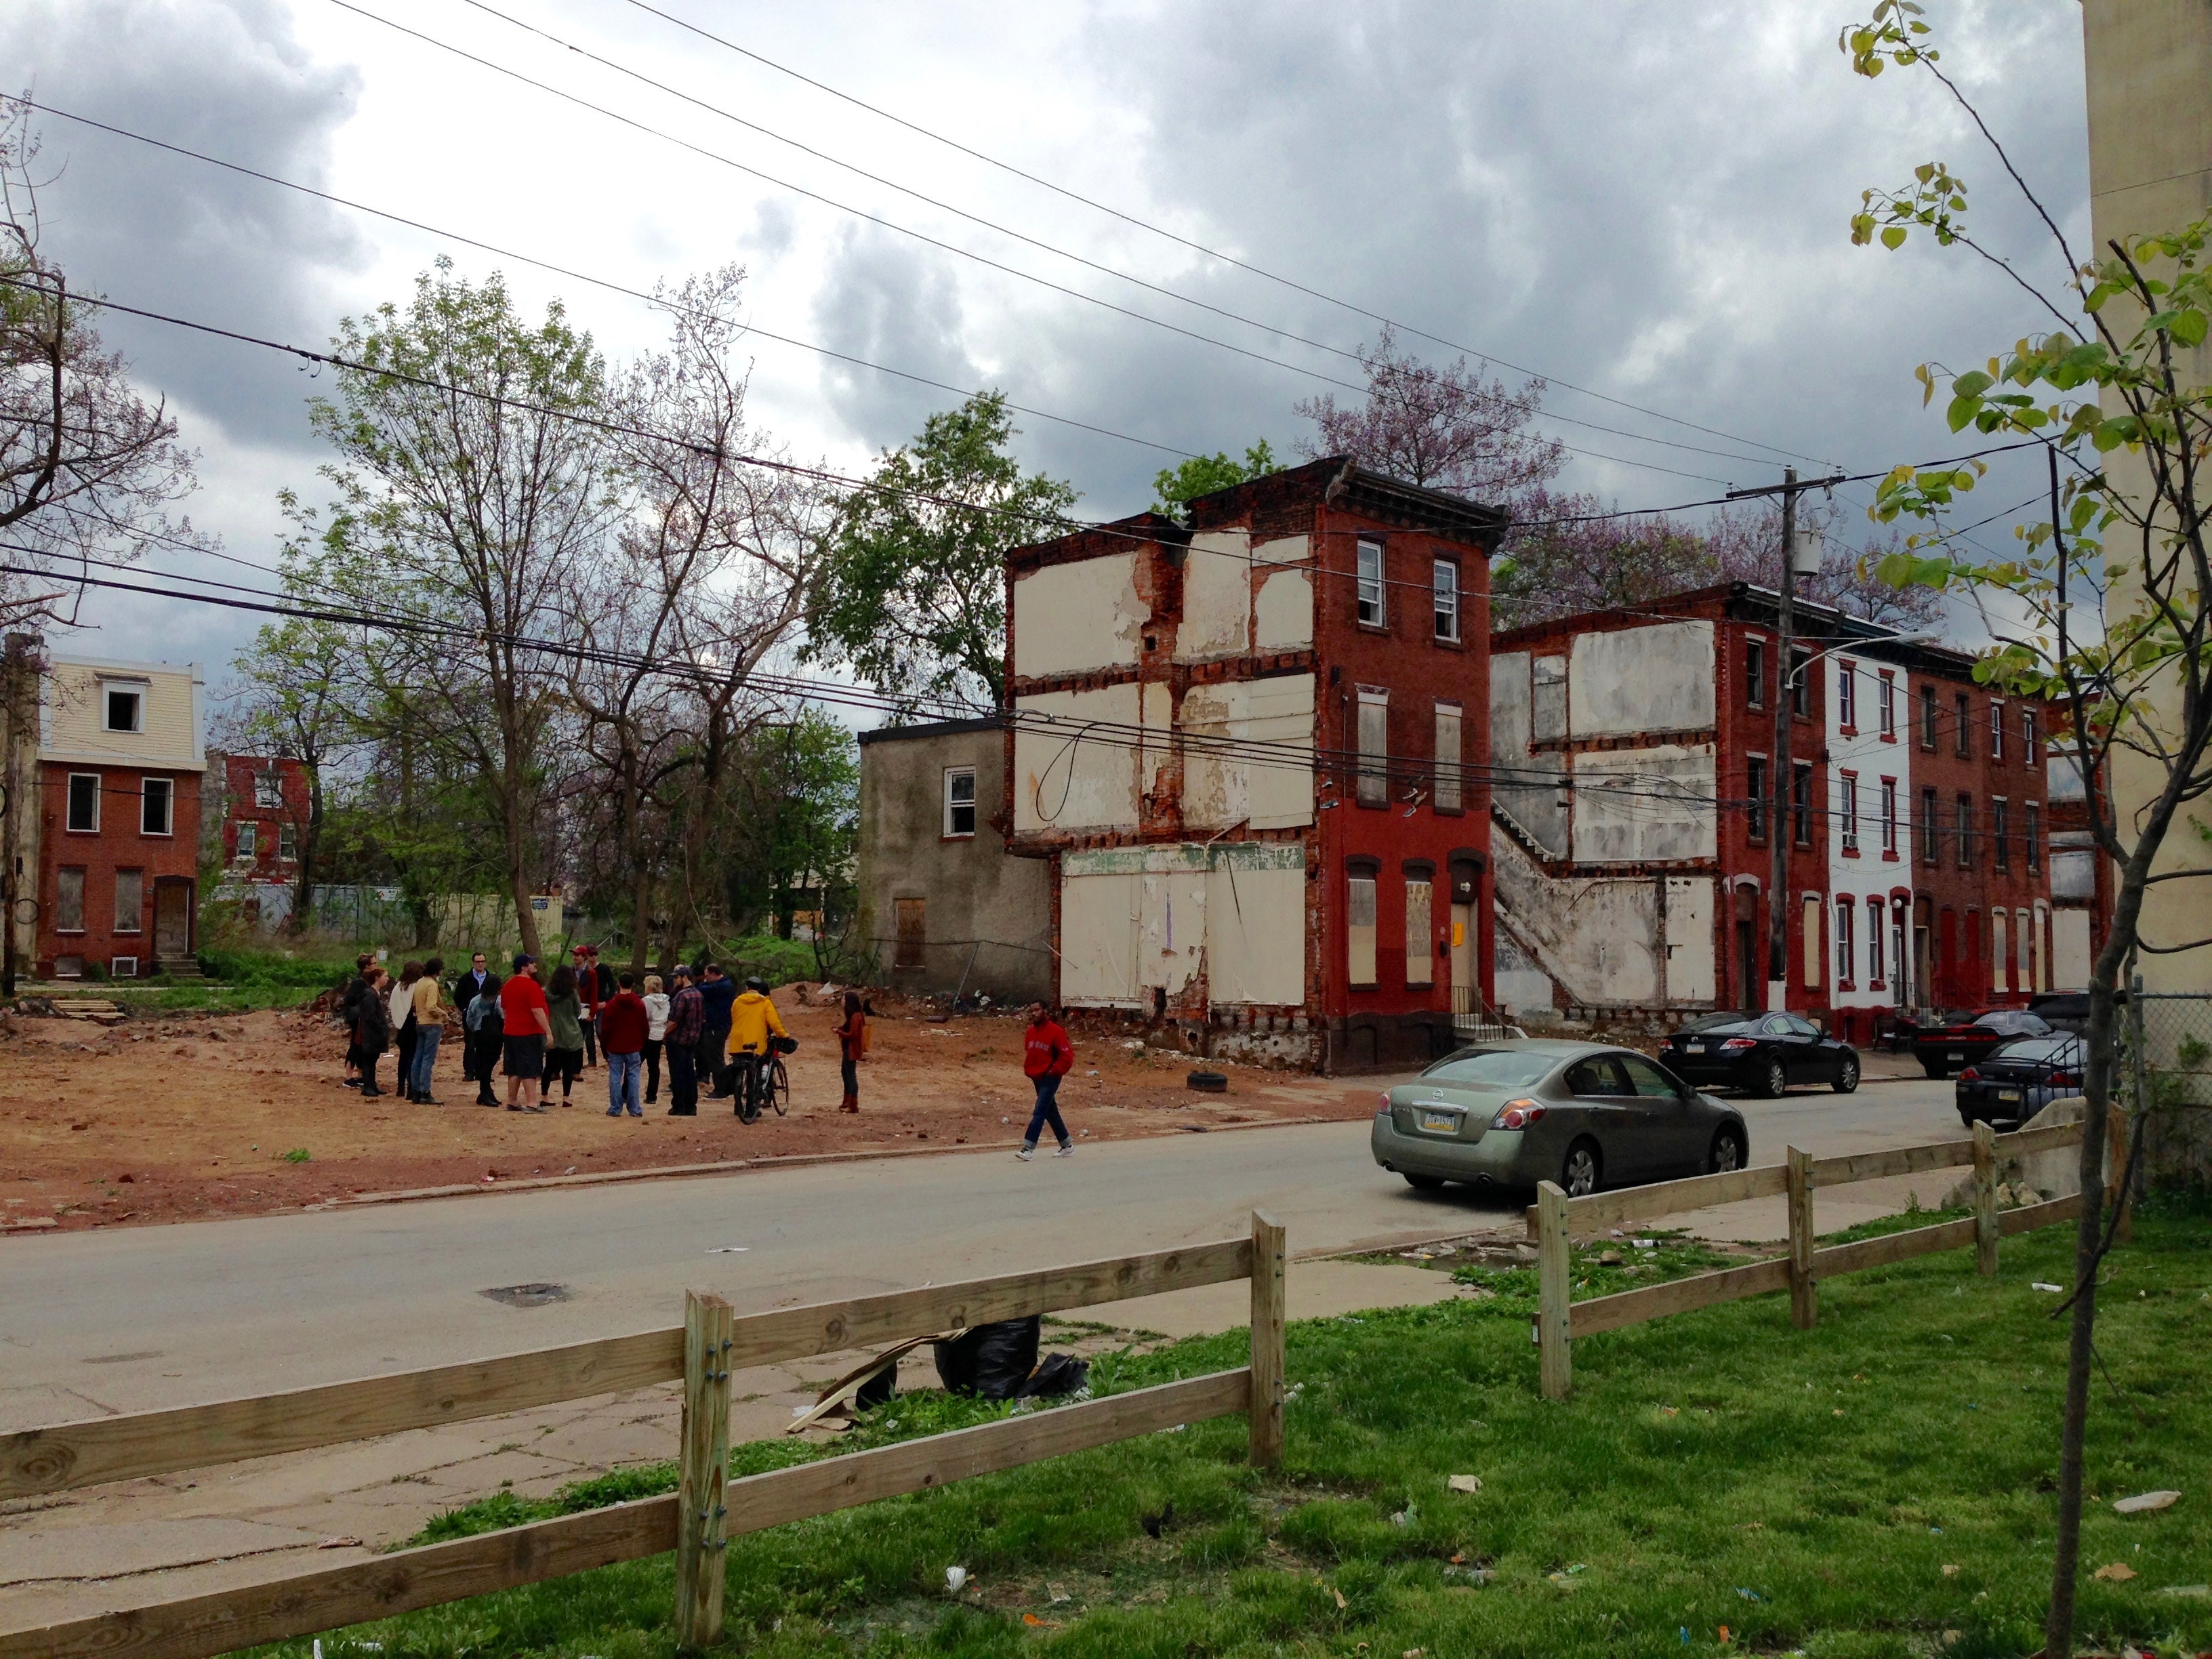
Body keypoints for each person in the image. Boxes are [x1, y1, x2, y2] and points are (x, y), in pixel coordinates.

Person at [725, 975, 790, 1122]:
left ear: (747, 988)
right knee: (754, 1073)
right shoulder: (765, 1002)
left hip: (738, 1041)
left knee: (739, 1071)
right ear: (760, 989)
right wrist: (783, 1035)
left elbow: (735, 1019)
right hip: (756, 1042)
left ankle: (737, 1106)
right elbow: (774, 1023)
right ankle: (750, 1108)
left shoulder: (737, 1002)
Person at [1017, 1002, 1076, 1160]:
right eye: (1032, 1011)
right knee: (1051, 1111)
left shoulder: (1056, 1032)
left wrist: (1054, 1071)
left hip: (1051, 1077)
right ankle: (1067, 1145)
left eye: (1037, 1010)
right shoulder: (1030, 1032)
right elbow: (1030, 1052)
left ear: (1045, 1011)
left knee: (1040, 1110)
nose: (1034, 1014)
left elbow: (1067, 1057)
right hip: (1037, 1076)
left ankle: (1028, 1148)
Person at [499, 952, 551, 1113]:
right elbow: (537, 1011)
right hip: (529, 1033)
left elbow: (505, 1010)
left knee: (513, 1069)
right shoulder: (531, 986)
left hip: (510, 1032)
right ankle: (531, 1103)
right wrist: (548, 1032)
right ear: (524, 967)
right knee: (530, 1068)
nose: (534, 966)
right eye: (531, 963)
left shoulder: (507, 985)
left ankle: (512, 1101)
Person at [600, 972, 649, 1119]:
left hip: (615, 1046)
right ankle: (635, 1109)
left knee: (615, 1076)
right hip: (633, 1045)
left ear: (619, 984)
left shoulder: (612, 1005)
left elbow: (605, 1029)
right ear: (633, 984)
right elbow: (644, 1026)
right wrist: (642, 1042)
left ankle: (615, 1108)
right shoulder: (639, 1004)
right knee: (634, 1076)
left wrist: (605, 1047)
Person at [545, 964, 587, 1104]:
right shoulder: (572, 992)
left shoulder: (545, 992)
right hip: (570, 1030)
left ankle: (544, 1096)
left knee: (549, 1065)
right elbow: (578, 1011)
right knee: (568, 1066)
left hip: (552, 1029)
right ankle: (566, 1098)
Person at [664, 966, 703, 1116]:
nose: (674, 980)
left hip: (678, 1039)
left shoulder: (682, 996)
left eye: (676, 977)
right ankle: (691, 1106)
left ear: (684, 977)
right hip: (693, 1039)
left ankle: (679, 1105)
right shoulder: (699, 994)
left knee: (678, 1074)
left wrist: (664, 1034)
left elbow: (674, 1020)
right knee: (690, 1072)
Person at [409, 955, 447, 1103]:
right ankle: (426, 1092)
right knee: (427, 1060)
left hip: (420, 1022)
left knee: (418, 1058)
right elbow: (431, 1006)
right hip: (432, 1024)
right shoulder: (432, 985)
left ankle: (416, 1091)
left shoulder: (419, 982)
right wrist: (443, 1014)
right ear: (438, 970)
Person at [696, 962, 737, 1097]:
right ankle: (725, 1086)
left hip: (717, 1026)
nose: (705, 979)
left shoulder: (722, 987)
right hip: (716, 1025)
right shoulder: (723, 985)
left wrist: (704, 984)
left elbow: (701, 989)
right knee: (714, 1057)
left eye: (707, 976)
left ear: (714, 975)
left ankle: (721, 1088)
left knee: (715, 1058)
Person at [465, 972, 505, 1107]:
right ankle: (485, 1092)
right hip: (495, 1036)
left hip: (479, 1034)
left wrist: (475, 1029)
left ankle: (486, 1091)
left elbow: (469, 1019)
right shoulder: (498, 1000)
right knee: (489, 1064)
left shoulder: (475, 1000)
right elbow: (503, 1016)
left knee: (483, 1062)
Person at [453, 952, 495, 1079]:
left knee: (486, 1045)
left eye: (482, 961)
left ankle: (483, 1072)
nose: (480, 964)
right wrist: (465, 1009)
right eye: (478, 962)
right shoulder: (466, 979)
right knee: (471, 1044)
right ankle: (469, 1072)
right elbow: (457, 997)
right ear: (473, 963)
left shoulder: (491, 978)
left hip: (488, 1017)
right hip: (470, 1017)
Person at [339, 951, 377, 1087]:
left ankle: (360, 1075)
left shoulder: (365, 980)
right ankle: (349, 1077)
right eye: (374, 963)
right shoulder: (360, 982)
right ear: (367, 966)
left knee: (361, 1045)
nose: (377, 965)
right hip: (357, 1019)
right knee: (355, 1045)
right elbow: (350, 999)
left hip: (361, 1018)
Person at [354, 966, 393, 1098]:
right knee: (369, 1061)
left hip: (373, 1033)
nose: (387, 979)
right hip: (371, 1034)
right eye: (385, 976)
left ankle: (372, 1085)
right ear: (377, 978)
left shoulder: (374, 993)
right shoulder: (370, 995)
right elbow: (369, 1016)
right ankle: (367, 1086)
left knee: (372, 1060)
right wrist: (380, 1027)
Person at [390, 962, 422, 1094]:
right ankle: (411, 1088)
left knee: (403, 1057)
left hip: (402, 1025)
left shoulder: (398, 987)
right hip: (413, 1023)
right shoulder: (417, 987)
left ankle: (400, 1087)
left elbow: (392, 1005)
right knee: (413, 1057)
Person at [834, 990, 865, 1113]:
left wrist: (839, 1032)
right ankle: (847, 1101)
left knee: (851, 1075)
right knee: (845, 1072)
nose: (842, 1001)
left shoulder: (855, 1016)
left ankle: (853, 1104)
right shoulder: (854, 1015)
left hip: (852, 1049)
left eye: (844, 999)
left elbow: (853, 1034)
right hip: (849, 1048)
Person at [640, 973, 670, 1105]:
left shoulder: (646, 1001)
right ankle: (652, 1096)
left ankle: (626, 1093)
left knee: (635, 1065)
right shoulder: (667, 1000)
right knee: (654, 1067)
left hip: (647, 1035)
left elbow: (644, 1018)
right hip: (659, 1034)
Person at [573, 945, 602, 1068]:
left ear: (584, 957)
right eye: (574, 955)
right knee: (576, 1034)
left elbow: (594, 992)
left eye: (578, 955)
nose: (575, 957)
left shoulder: (591, 973)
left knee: (588, 1034)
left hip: (586, 1006)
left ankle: (592, 1060)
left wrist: (593, 1011)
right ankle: (576, 1062)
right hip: (574, 1006)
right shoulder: (571, 971)